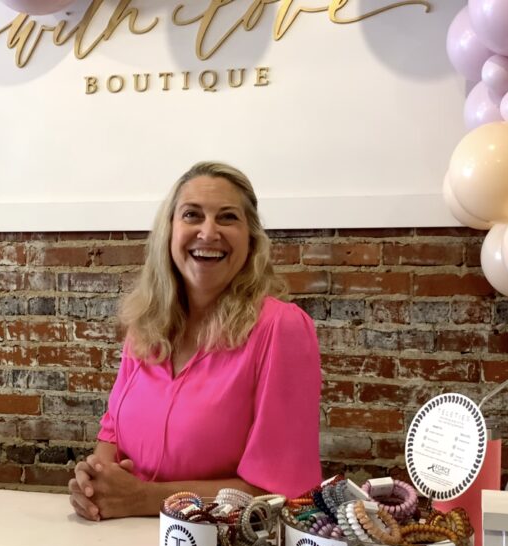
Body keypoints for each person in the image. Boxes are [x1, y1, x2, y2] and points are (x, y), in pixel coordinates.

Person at [68, 161, 322, 521]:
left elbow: (283, 491)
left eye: (227, 218)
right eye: (192, 215)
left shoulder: (280, 329)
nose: (208, 232)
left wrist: (144, 498)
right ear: (169, 231)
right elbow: (112, 431)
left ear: (250, 239)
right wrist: (95, 484)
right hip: (120, 543)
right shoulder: (146, 324)